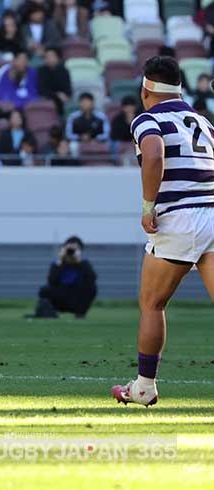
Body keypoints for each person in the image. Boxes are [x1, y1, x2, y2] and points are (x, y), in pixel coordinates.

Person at [112, 57, 214, 407]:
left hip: (179, 220)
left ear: (146, 89)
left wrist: (147, 206)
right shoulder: (202, 119)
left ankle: (144, 387)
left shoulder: (148, 118)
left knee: (152, 304)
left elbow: (153, 154)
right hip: (213, 213)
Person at [36, 236, 97, 318]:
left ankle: (80, 314)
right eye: (69, 249)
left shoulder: (84, 264)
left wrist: (79, 262)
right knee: (44, 290)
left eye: (75, 249)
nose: (71, 252)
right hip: (61, 295)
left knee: (92, 288)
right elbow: (51, 282)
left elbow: (91, 279)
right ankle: (49, 313)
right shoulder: (58, 263)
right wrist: (60, 260)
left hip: (77, 297)